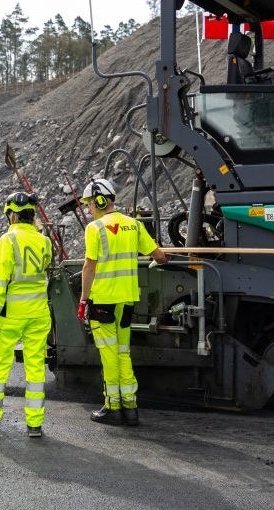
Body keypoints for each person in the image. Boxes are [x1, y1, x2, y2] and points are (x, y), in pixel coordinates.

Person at [77, 179, 168, 426]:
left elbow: (89, 266)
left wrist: (83, 299)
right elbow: (160, 256)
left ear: (99, 200)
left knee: (108, 354)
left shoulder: (95, 228)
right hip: (127, 300)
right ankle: (131, 408)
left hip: (103, 300)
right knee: (123, 352)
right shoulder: (134, 225)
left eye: (89, 204)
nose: (89, 209)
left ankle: (112, 406)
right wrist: (156, 261)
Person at [0, 192, 53, 440]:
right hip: (39, 314)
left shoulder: (7, 240)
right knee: (35, 371)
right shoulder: (44, 241)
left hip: (10, 316)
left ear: (12, 214)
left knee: (0, 368)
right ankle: (35, 425)